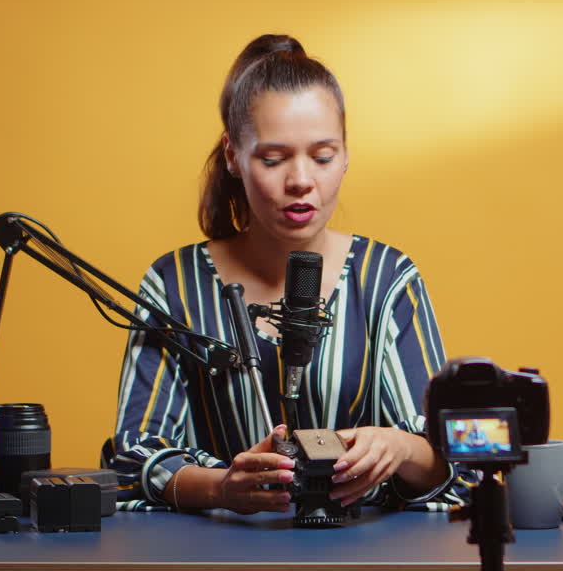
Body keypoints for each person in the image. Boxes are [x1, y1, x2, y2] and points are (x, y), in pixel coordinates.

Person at [102, 34, 465, 514]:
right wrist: (221, 487)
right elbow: (134, 457)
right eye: (273, 159)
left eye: (322, 156)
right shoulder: (174, 284)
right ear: (232, 155)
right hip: (219, 557)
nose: (300, 181)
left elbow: (451, 464)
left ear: (346, 154)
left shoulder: (386, 279)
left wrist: (399, 447)